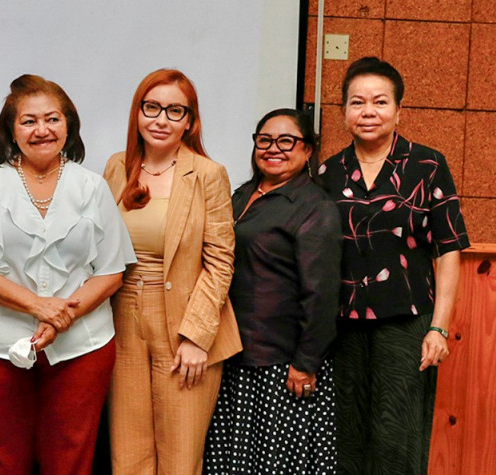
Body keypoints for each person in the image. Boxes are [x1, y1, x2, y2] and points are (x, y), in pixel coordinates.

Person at [0, 74, 135, 475]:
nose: (42, 130)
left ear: (69, 125)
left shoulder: (93, 187)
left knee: (70, 460)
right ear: (10, 131)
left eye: (52, 119)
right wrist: (39, 307)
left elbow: (111, 272)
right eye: (28, 121)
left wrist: (63, 316)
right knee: (3, 459)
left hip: (82, 345)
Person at [318, 56, 469, 474]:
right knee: (347, 438)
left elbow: (450, 249)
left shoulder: (428, 165)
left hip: (406, 322)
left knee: (396, 440)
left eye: (380, 102)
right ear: (344, 111)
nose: (368, 112)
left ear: (398, 110)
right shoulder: (328, 172)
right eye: (357, 102)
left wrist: (439, 327)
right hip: (342, 328)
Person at [102, 69, 241, 475]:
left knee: (180, 459)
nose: (161, 120)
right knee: (128, 456)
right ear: (138, 112)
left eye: (174, 111)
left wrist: (196, 337)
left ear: (189, 121)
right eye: (152, 108)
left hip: (185, 325)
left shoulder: (207, 174)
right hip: (122, 318)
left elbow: (220, 262)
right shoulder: (117, 167)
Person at [202, 109, 341, 474]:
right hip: (234, 354)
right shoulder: (243, 194)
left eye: (286, 141)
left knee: (275, 465)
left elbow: (322, 295)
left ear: (308, 150)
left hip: (282, 365)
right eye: (264, 140)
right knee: (234, 462)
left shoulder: (315, 206)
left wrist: (305, 364)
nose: (273, 149)